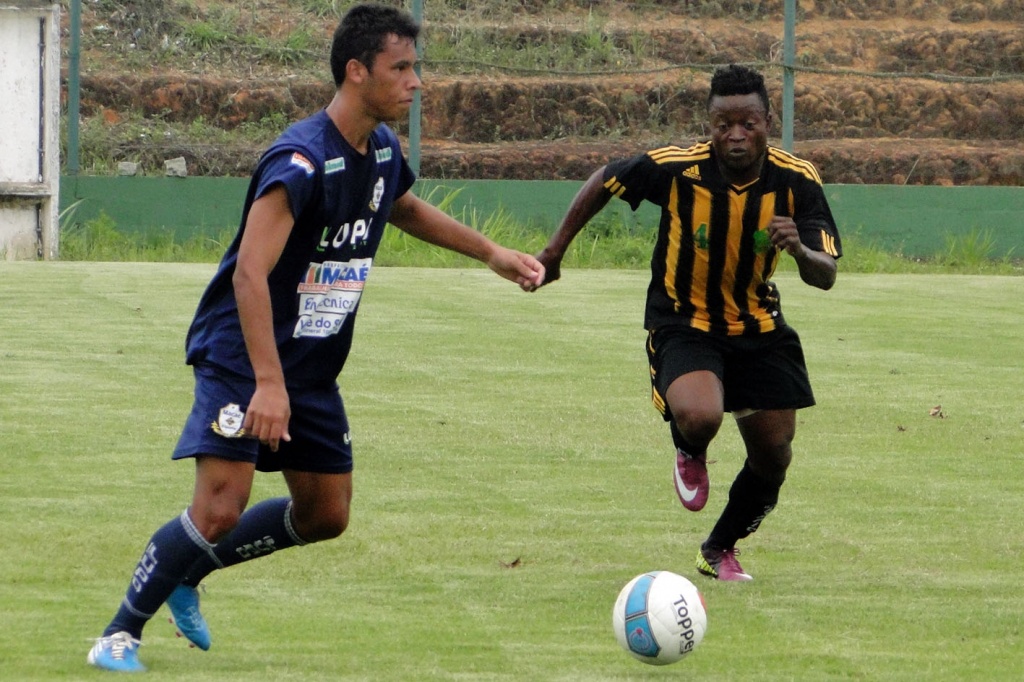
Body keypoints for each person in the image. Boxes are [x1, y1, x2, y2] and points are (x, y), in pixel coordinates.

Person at [87, 3, 544, 673]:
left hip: (309, 365)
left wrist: (490, 252)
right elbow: (249, 272)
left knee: (326, 513)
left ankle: (191, 567)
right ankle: (119, 634)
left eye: (416, 68)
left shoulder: (382, 150)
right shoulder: (301, 158)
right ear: (357, 72)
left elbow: (402, 206)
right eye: (402, 68)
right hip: (243, 357)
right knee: (219, 506)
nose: (416, 82)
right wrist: (267, 383)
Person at [531, 64, 841, 582]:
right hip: (683, 319)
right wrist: (554, 253)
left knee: (775, 454)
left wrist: (801, 249)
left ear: (768, 121)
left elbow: (825, 274)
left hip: (758, 327)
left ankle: (718, 549)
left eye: (748, 123)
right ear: (709, 125)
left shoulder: (796, 179)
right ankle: (688, 446)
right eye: (723, 124)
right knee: (702, 416)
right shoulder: (677, 168)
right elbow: (606, 178)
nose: (736, 135)